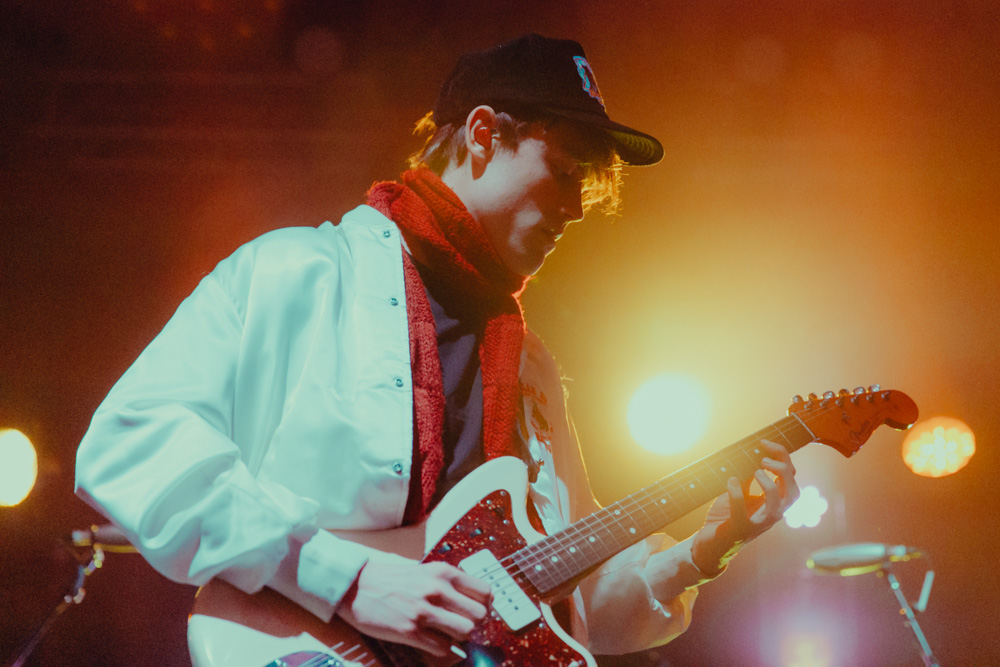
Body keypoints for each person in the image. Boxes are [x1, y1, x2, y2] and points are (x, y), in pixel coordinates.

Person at [75, 34, 799, 661]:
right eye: (568, 168)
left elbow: (566, 606)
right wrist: (346, 578)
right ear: (483, 134)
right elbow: (129, 444)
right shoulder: (297, 272)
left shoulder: (533, 369)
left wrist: (705, 550)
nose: (579, 207)